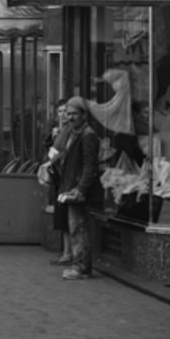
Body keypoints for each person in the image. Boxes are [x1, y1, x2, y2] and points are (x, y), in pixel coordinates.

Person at [57, 96, 102, 280]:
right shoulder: (72, 132)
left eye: (74, 114)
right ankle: (80, 264)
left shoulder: (87, 135)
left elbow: (89, 165)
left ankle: (81, 267)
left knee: (79, 227)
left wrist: (81, 188)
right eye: (68, 113)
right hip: (71, 185)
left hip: (78, 188)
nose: (70, 117)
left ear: (83, 115)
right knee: (75, 226)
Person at [42, 99, 72, 266]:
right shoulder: (58, 131)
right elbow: (50, 152)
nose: (63, 115)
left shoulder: (71, 132)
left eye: (66, 112)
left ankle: (69, 253)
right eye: (60, 112)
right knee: (62, 218)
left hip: (66, 178)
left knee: (68, 218)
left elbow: (56, 155)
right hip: (59, 178)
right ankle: (66, 252)